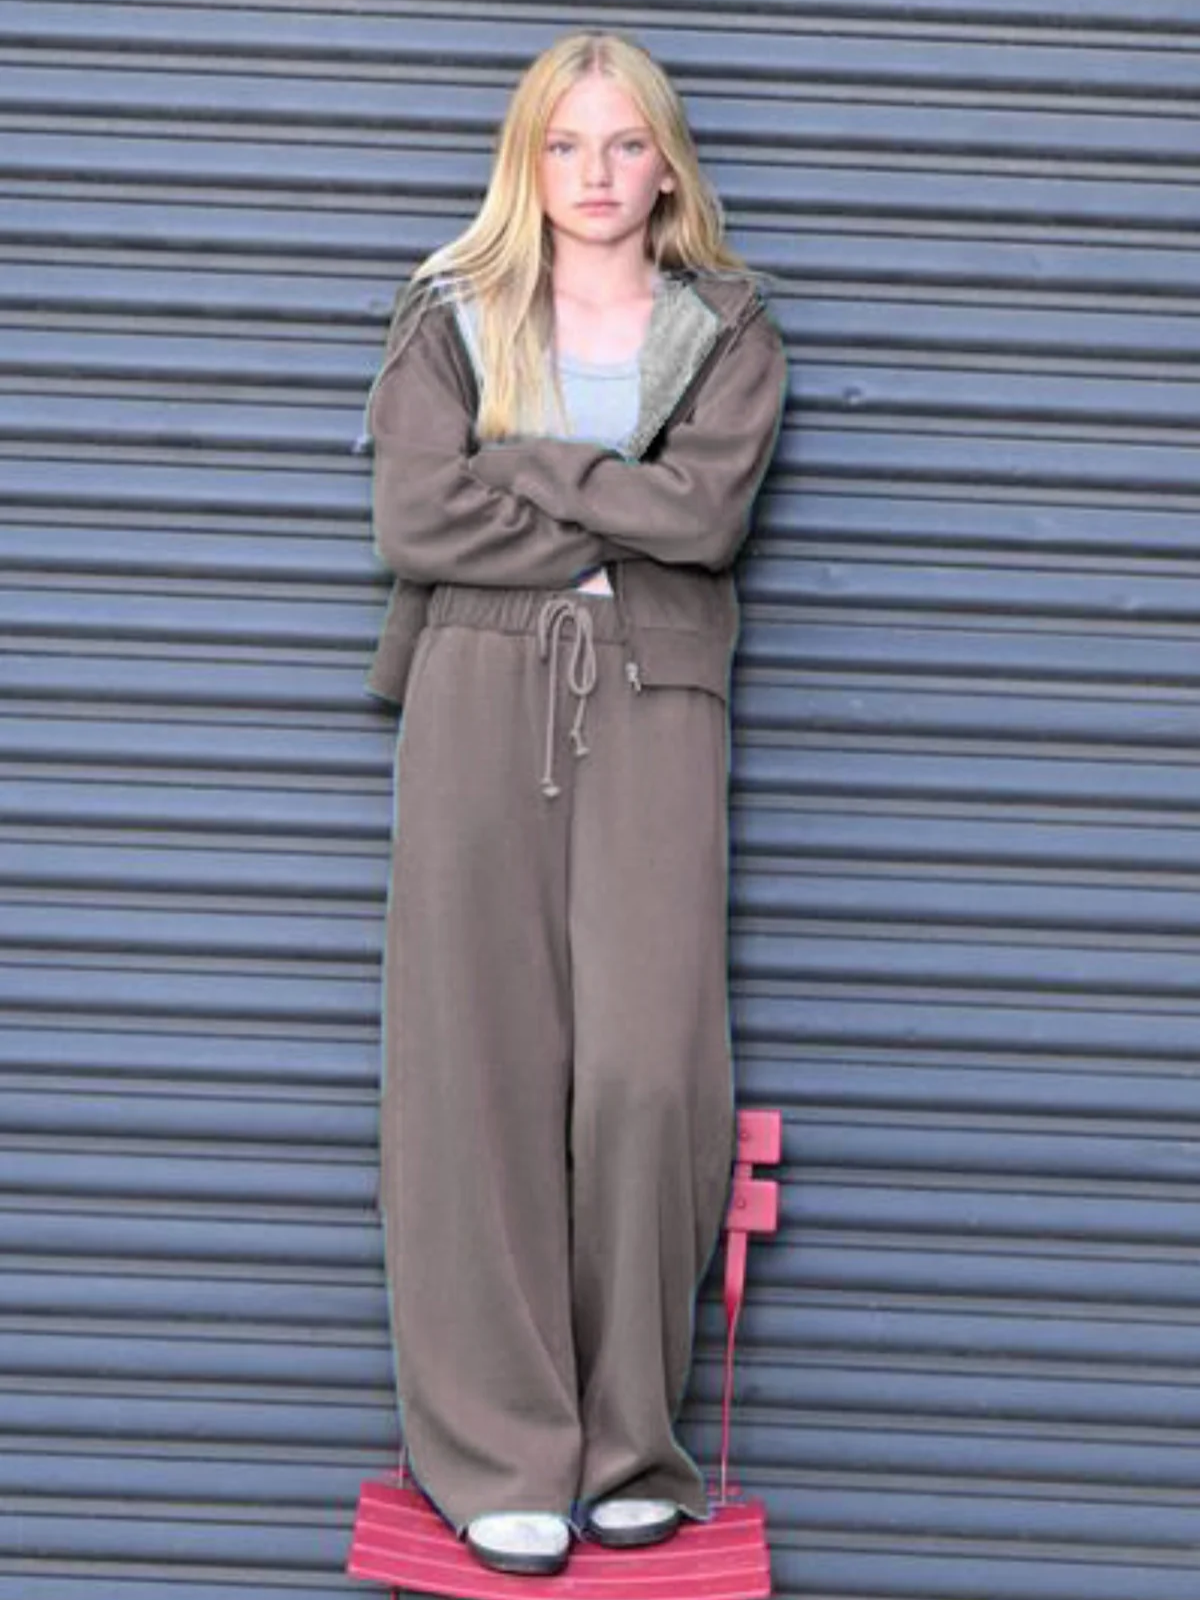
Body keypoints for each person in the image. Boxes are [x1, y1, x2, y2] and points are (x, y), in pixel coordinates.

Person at [361, 28, 788, 1580]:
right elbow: (417, 514)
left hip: (655, 698)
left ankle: (626, 1445)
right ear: (525, 161)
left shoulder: (724, 326)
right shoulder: (452, 312)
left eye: (622, 144)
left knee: (645, 1072)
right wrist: (616, 507)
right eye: (563, 144)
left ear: (664, 163)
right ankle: (499, 1452)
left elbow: (706, 519)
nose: (594, 174)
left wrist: (529, 468)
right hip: (478, 688)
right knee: (475, 1064)